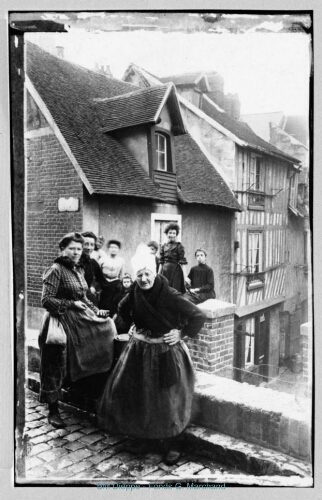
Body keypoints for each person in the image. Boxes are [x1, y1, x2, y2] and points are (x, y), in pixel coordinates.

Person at [97, 246, 206, 465]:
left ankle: (174, 443)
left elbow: (197, 315)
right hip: (140, 351)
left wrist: (181, 333)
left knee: (168, 400)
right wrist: (130, 327)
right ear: (135, 276)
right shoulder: (135, 292)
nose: (144, 279)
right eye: (140, 275)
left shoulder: (169, 294)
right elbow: (122, 309)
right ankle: (146, 440)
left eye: (147, 274)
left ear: (155, 273)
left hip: (165, 352)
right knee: (142, 396)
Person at [38, 232, 115, 429]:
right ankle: (53, 409)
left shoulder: (78, 270)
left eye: (79, 249)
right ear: (62, 249)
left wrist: (97, 311)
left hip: (78, 321)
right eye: (72, 248)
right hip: (59, 321)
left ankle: (85, 386)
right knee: (55, 362)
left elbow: (84, 298)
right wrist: (71, 304)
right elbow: (46, 300)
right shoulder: (55, 270)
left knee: (107, 329)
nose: (76, 252)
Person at [80, 231, 109, 306]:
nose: (89, 248)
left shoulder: (93, 263)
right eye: (86, 244)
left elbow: (104, 282)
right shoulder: (72, 262)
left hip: (88, 299)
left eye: (92, 245)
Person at [159, 222, 187, 293]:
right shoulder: (163, 246)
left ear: (176, 234)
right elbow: (161, 262)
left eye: (174, 233)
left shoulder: (179, 246)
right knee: (164, 290)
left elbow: (182, 263)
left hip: (175, 272)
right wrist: (158, 274)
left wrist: (185, 277)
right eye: (170, 233)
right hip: (165, 271)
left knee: (175, 290)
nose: (172, 235)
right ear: (167, 234)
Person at [99, 240, 124, 315]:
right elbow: (97, 273)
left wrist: (120, 282)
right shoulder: (102, 259)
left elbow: (121, 274)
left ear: (118, 249)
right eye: (111, 247)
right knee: (103, 302)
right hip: (104, 283)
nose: (113, 249)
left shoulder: (121, 260)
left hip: (115, 283)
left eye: (115, 247)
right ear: (108, 249)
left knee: (114, 303)